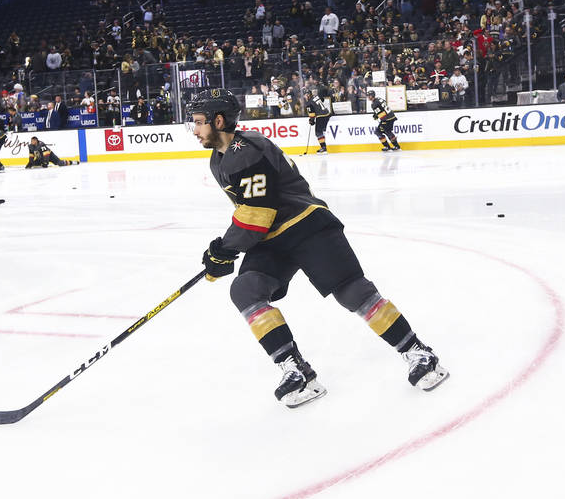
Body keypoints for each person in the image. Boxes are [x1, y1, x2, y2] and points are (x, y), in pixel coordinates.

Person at [186, 89, 447, 408]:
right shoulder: (219, 160)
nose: (196, 130)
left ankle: (419, 354)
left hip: (305, 224)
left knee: (353, 293)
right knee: (245, 290)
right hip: (272, 237)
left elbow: (257, 214)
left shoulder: (248, 149)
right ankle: (297, 372)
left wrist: (224, 250)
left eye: (199, 123)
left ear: (219, 120)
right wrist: (224, 252)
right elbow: (250, 215)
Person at [304, 89, 332, 154]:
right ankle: (323, 147)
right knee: (321, 131)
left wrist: (311, 121)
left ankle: (323, 148)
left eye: (305, 95)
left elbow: (312, 114)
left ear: (308, 95)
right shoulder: (316, 97)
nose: (305, 97)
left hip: (321, 116)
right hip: (327, 114)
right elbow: (322, 99)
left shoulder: (309, 103)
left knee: (318, 133)